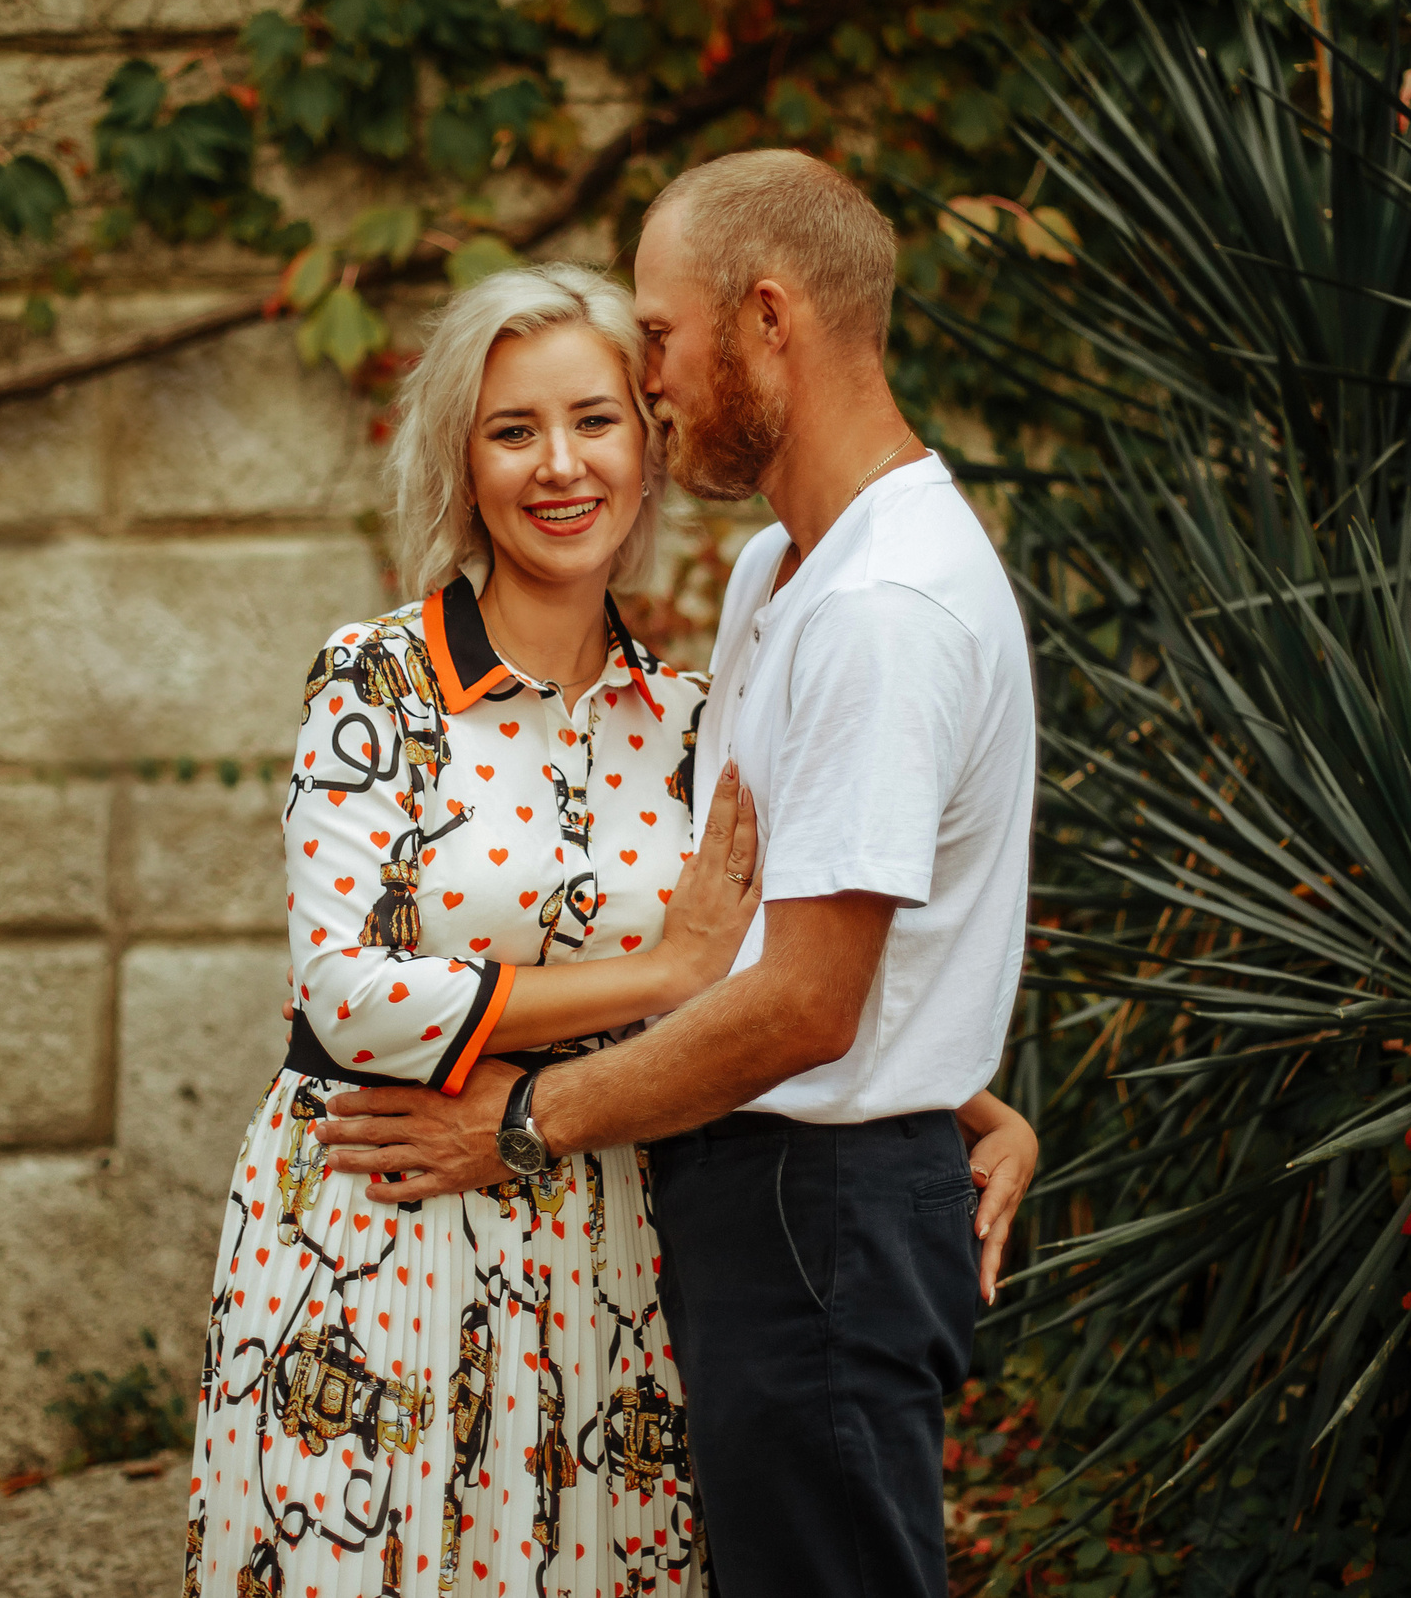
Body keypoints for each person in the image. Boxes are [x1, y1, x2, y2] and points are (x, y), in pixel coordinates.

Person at [313, 150, 1043, 1598]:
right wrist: (963, 1086)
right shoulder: (787, 575)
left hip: (811, 1205)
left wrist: (518, 1124)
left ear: (767, 318)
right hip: (734, 1191)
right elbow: (768, 924)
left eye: (654, 339)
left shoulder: (883, 611)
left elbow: (801, 1010)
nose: (650, 385)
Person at [183, 261, 760, 1597]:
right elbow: (349, 993)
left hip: (597, 1229)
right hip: (371, 1222)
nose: (560, 466)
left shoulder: (688, 723)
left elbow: (784, 971)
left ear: (647, 443)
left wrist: (971, 1107)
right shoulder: (377, 678)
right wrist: (656, 968)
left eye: (594, 421)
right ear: (464, 459)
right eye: (514, 431)